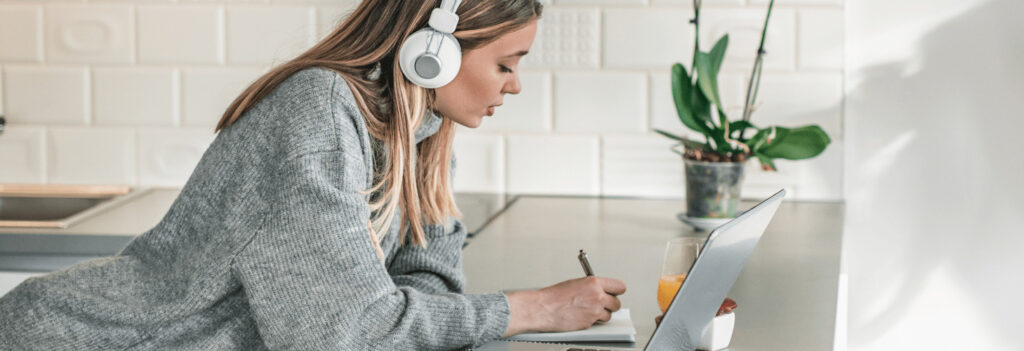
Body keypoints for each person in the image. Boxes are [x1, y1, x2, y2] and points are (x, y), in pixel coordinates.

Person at [0, 1, 627, 349]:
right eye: (507, 63)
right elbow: (339, 336)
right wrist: (528, 309)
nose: (516, 85)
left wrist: (421, 319)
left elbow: (420, 289)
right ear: (430, 54)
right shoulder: (319, 111)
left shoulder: (420, 135)